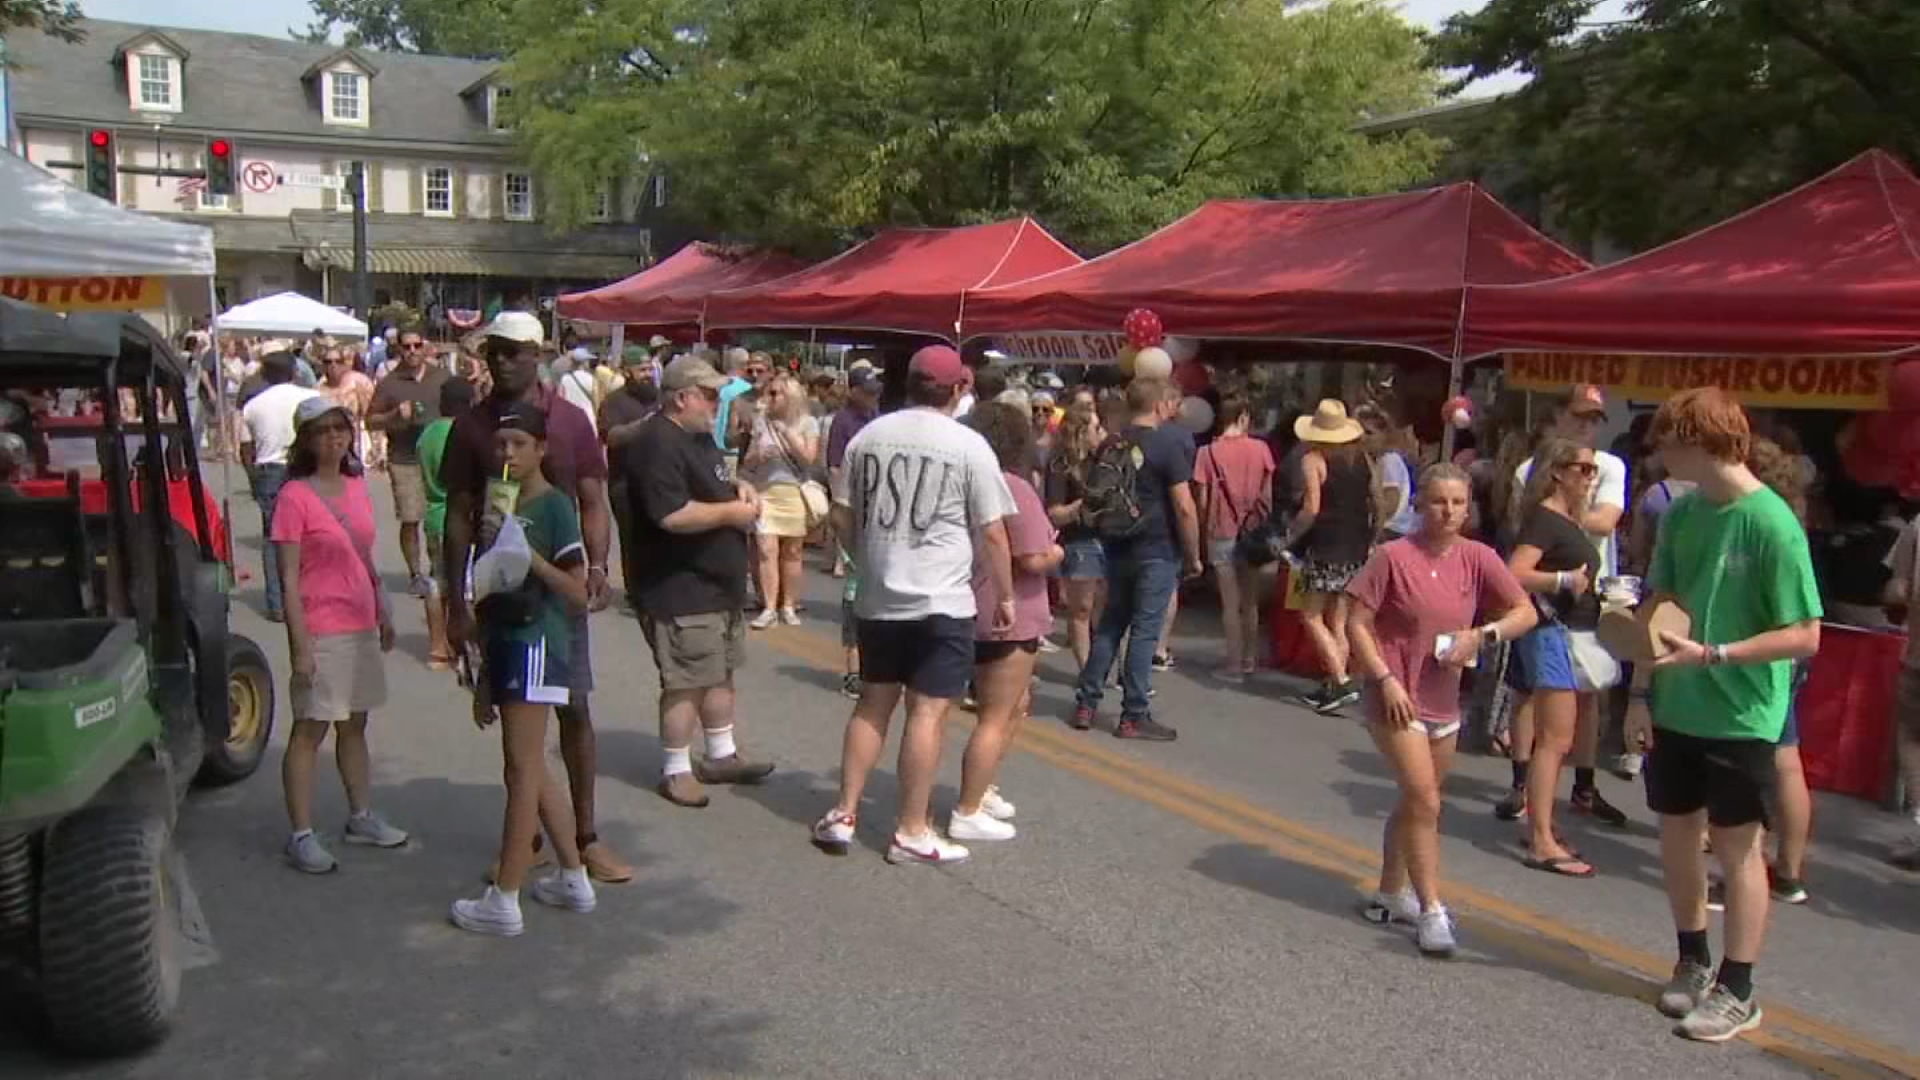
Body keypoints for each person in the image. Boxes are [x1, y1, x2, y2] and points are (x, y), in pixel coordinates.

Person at [1624, 388, 1821, 1042]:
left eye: (1669, 442)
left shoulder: (1770, 521)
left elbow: (1805, 633)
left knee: (1738, 848)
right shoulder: (1682, 515)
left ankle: (1738, 988)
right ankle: (1691, 959)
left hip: (1742, 714)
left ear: (1700, 441)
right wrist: (1639, 695)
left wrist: (1716, 654)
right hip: (1679, 706)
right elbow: (1663, 603)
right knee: (1677, 834)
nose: (1660, 455)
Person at [442, 312, 632, 883]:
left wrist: (599, 565)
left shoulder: (570, 421)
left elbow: (594, 498)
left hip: (555, 580)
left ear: (537, 354)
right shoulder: (470, 427)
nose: (503, 361)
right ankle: (526, 839)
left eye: (514, 352)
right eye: (495, 351)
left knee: (574, 707)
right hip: (500, 585)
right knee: (512, 713)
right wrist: (454, 602)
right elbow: (456, 515)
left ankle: (585, 835)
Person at [812, 345, 1017, 864]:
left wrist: (863, 559)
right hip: (941, 599)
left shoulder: (869, 437)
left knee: (873, 704)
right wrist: (1007, 594)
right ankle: (910, 829)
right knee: (927, 712)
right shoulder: (969, 446)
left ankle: (844, 811)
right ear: (956, 389)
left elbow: (840, 514)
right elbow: (993, 532)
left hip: (880, 593)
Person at [1347, 464, 1537, 956]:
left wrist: (1482, 634)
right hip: (1397, 696)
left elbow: (1525, 612)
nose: (1448, 511)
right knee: (1427, 801)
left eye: (1457, 502)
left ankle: (1390, 890)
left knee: (1418, 799)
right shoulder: (1392, 556)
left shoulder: (1477, 557)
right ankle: (1432, 909)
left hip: (1444, 698)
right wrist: (1384, 679)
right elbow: (1357, 623)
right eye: (1437, 501)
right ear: (1419, 505)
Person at [449, 405, 599, 935]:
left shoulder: (555, 506)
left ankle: (505, 895)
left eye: (518, 443)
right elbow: (488, 589)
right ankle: (573, 876)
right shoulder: (498, 500)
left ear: (540, 448)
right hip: (506, 639)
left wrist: (530, 557)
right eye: (500, 444)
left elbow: (579, 592)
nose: (507, 453)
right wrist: (483, 668)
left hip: (539, 639)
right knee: (530, 764)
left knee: (521, 768)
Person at [622, 354, 776, 809]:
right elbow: (671, 514)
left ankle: (721, 753)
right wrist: (732, 513)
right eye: (708, 395)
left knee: (719, 672)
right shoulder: (658, 443)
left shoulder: (697, 438)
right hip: (680, 584)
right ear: (682, 397)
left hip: (715, 582)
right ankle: (675, 768)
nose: (715, 403)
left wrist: (739, 489)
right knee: (686, 680)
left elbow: (714, 483)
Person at [271, 396, 406, 874]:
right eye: (323, 431)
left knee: (355, 724)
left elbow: (364, 554)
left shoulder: (355, 486)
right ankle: (301, 832)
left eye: (340, 429)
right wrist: (299, 645)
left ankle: (360, 815)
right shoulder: (293, 497)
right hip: (320, 626)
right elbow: (287, 577)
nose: (334, 439)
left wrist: (383, 611)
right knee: (311, 727)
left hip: (360, 620)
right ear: (305, 439)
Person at [1504, 437, 1626, 877]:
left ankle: (1543, 826)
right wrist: (1561, 580)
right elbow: (1514, 571)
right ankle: (1541, 840)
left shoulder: (1566, 521)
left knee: (1557, 738)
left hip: (1567, 632)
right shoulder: (1546, 520)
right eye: (1583, 469)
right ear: (1558, 472)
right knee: (1555, 739)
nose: (1591, 478)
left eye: (1594, 470)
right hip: (1551, 632)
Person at [947, 402, 1063, 843]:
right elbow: (1033, 556)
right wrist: (1058, 553)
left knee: (1011, 707)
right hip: (1008, 610)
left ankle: (984, 788)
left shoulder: (965, 479)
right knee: (997, 715)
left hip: (968, 601)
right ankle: (969, 807)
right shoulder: (1014, 485)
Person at [1069, 378, 1202, 740]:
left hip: (1117, 546)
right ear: (1160, 405)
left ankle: (1087, 701)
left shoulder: (1112, 443)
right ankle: (1134, 713)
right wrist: (1193, 555)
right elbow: (1184, 507)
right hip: (1155, 548)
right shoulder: (1168, 444)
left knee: (1112, 624)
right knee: (1145, 631)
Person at [1282, 400, 1376, 713]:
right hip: (1356, 545)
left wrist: (1291, 535)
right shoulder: (1360, 458)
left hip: (1326, 545)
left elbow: (1311, 508)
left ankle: (1339, 679)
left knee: (1310, 614)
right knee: (1338, 618)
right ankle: (1334, 681)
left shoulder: (1314, 459)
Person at [1193, 394, 1275, 682]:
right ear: (1243, 418)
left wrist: (1202, 532)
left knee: (1230, 601)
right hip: (1253, 532)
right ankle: (1250, 659)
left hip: (1221, 530)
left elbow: (1201, 501)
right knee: (1250, 600)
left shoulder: (1207, 453)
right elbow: (1267, 496)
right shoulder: (1262, 449)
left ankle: (1233, 664)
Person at [367, 329, 449, 599]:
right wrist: (393, 414)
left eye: (417, 345)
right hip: (404, 458)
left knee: (439, 518)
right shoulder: (390, 383)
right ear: (399, 349)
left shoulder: (441, 377)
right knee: (411, 518)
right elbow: (370, 421)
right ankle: (415, 573)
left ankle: (439, 568)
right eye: (407, 346)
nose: (412, 351)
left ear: (425, 347)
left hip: (439, 455)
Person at [239, 352, 320, 623]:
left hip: (269, 469)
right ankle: (308, 597)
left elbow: (245, 448)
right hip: (304, 467)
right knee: (309, 535)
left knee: (273, 538)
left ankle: (277, 603)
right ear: (294, 372)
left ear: (264, 374)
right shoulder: (309, 398)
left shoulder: (253, 406)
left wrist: (253, 479)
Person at [741, 373, 821, 629]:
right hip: (766, 492)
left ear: (792, 396)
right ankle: (768, 607)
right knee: (766, 549)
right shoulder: (761, 423)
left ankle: (788, 605)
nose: (770, 398)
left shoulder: (807, 423)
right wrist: (758, 455)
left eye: (776, 393)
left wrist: (787, 433)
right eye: (770, 392)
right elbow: (747, 461)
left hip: (795, 492)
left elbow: (809, 458)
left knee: (792, 552)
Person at [416, 376, 473, 670]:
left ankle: (438, 647)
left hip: (434, 513)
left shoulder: (427, 434)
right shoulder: (467, 432)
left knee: (437, 581)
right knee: (467, 583)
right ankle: (465, 642)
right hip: (461, 516)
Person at [1046, 402, 1107, 670]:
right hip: (1079, 542)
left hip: (1109, 539)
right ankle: (1088, 670)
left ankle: (1103, 662)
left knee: (1104, 608)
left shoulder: (1104, 460)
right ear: (1081, 432)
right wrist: (1083, 505)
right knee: (1081, 609)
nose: (1101, 433)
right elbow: (1055, 513)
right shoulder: (1060, 465)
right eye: (1096, 428)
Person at [598, 344, 661, 603]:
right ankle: (636, 592)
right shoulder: (614, 402)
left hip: (659, 480)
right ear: (626, 372)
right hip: (625, 482)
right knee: (632, 538)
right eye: (641, 369)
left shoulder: (661, 397)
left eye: (650, 369)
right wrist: (644, 424)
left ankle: (658, 587)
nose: (647, 374)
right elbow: (611, 437)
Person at [827, 368, 881, 579]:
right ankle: (843, 561)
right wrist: (840, 494)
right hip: (850, 486)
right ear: (854, 391)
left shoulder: (878, 417)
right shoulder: (842, 420)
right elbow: (835, 462)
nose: (873, 397)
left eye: (875, 392)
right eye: (868, 392)